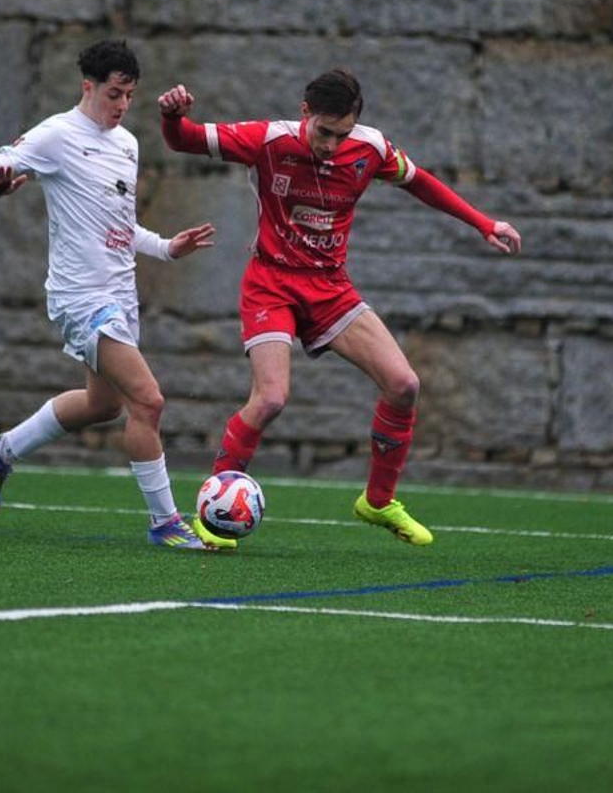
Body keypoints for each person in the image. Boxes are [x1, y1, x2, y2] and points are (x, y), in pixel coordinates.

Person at [158, 68, 521, 549]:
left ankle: (377, 502)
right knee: (270, 400)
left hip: (331, 289)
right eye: (324, 132)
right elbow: (184, 140)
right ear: (305, 113)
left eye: (342, 134)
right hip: (271, 285)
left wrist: (483, 222)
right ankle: (213, 508)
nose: (331, 145)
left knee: (404, 384)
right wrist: (171, 116)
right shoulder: (268, 140)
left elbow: (420, 182)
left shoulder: (370, 149)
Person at [0, 39, 218, 551]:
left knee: (104, 405)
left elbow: (122, 226)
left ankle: (2, 449)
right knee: (148, 400)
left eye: (129, 95)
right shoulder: (57, 135)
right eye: (114, 94)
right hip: (81, 299)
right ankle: (165, 522)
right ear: (89, 87)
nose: (122, 105)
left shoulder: (127, 144)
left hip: (120, 296)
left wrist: (168, 247)